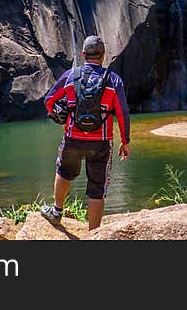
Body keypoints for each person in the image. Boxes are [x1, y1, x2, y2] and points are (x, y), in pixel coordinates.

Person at [41, 35, 131, 230]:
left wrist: (62, 120)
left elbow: (49, 100)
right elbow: (123, 113)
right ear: (104, 56)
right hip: (102, 142)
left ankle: (56, 212)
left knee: (63, 172)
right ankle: (94, 233)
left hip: (73, 137)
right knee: (97, 188)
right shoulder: (114, 80)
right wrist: (125, 141)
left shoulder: (70, 76)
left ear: (83, 54)